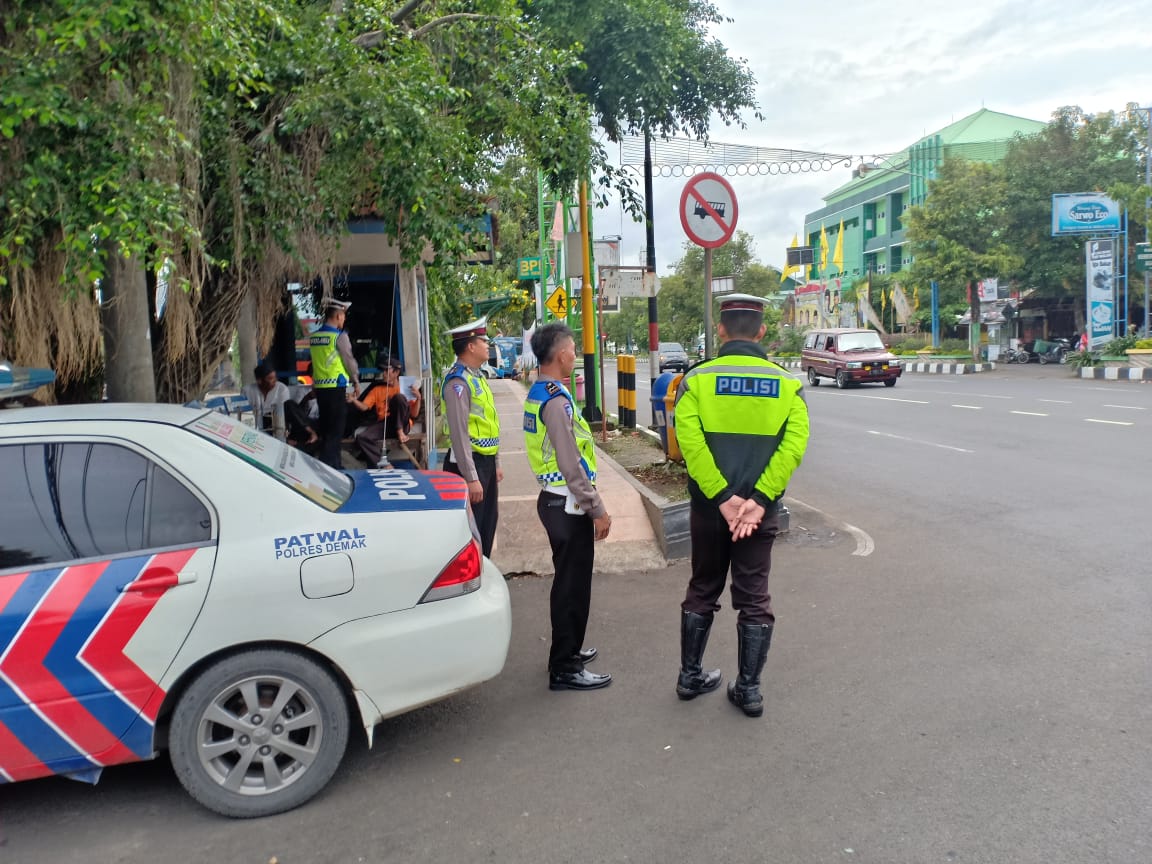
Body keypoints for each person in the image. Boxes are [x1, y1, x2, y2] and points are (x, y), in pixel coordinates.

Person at [672, 294, 810, 717]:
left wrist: (722, 498)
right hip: (756, 516)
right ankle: (748, 689)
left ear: (721, 329)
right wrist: (757, 501)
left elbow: (688, 445)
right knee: (754, 597)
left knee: (702, 588)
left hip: (710, 512)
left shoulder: (695, 381)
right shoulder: (788, 386)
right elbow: (793, 446)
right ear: (762, 331)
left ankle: (689, 676)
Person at [523, 322, 612, 692]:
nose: (576, 354)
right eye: (573, 348)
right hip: (568, 503)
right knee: (572, 588)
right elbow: (570, 463)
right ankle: (565, 667)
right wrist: (597, 508)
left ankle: (568, 650)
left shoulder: (540, 392)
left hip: (555, 500)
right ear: (561, 355)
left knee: (568, 583)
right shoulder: (556, 402)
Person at [441, 318, 502, 557]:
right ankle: (474, 580)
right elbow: (459, 434)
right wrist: (471, 477)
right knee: (471, 530)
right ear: (470, 347)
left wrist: (496, 462)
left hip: (484, 462)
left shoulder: (477, 377)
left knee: (487, 524)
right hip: (468, 465)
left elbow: (490, 423)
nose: (488, 345)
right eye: (483, 341)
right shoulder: (458, 381)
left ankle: (484, 574)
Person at [309, 299, 359, 468]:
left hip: (321, 390)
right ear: (338, 316)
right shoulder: (339, 336)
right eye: (343, 316)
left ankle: (335, 464)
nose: (344, 319)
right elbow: (349, 361)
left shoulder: (315, 337)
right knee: (336, 431)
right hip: (336, 388)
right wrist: (356, 381)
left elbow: (316, 363)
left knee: (327, 429)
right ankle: (330, 467)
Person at [348, 356, 422, 468]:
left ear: (396, 372)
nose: (383, 374)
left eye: (387, 371)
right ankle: (385, 465)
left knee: (398, 398)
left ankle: (399, 431)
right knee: (362, 438)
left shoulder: (406, 388)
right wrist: (354, 400)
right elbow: (364, 407)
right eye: (383, 371)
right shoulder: (377, 389)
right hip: (385, 425)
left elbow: (414, 414)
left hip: (403, 424)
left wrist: (418, 398)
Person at [243, 364, 319, 449]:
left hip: (279, 423)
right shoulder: (247, 391)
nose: (275, 381)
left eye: (275, 377)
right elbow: (244, 414)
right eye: (271, 378)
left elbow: (286, 414)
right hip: (257, 426)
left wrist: (285, 438)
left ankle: (310, 432)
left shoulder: (281, 389)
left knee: (289, 405)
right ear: (260, 381)